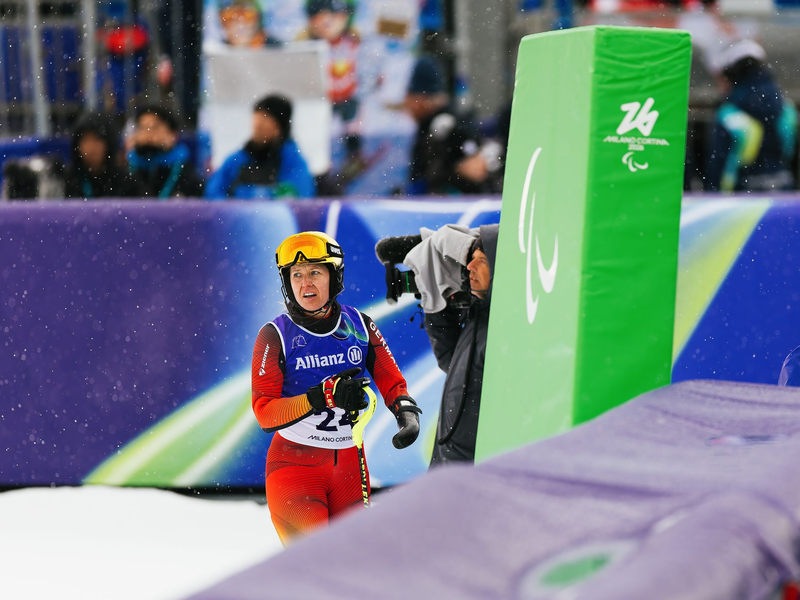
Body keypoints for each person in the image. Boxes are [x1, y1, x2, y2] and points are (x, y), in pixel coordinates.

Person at [251, 231, 420, 544]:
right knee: (317, 572)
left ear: (335, 276)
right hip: (295, 468)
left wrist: (405, 411)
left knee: (355, 569)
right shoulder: (274, 335)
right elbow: (264, 413)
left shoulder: (359, 324)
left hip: (349, 466)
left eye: (315, 272)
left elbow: (391, 379)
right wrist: (320, 397)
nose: (306, 284)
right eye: (296, 275)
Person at [400, 223, 498, 465]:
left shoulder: (503, 332)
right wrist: (436, 305)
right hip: (449, 464)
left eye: (481, 261)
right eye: (470, 260)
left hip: (473, 471)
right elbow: (450, 362)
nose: (470, 267)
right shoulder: (479, 318)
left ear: (501, 267)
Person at [705, 40, 798, 193]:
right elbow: (789, 152)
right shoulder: (786, 108)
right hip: (784, 193)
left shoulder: (728, 114)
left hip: (740, 201)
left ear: (731, 74)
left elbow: (717, 168)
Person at [403, 56, 501, 196]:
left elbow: (477, 169)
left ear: (421, 98)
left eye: (409, 96)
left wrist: (456, 173)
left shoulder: (447, 125)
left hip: (453, 209)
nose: (406, 103)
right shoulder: (427, 124)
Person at [205, 95, 316, 200]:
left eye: (264, 122)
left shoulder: (293, 162)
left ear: (279, 127)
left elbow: (300, 199)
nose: (258, 127)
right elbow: (213, 194)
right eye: (256, 122)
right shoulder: (237, 160)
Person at [127, 104, 205, 198]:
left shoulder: (185, 172)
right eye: (142, 128)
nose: (148, 133)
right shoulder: (126, 168)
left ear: (173, 135)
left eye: (155, 128)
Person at [64, 113, 142, 199]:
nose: (91, 147)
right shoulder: (67, 181)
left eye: (97, 139)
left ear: (108, 143)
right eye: (86, 140)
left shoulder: (127, 182)